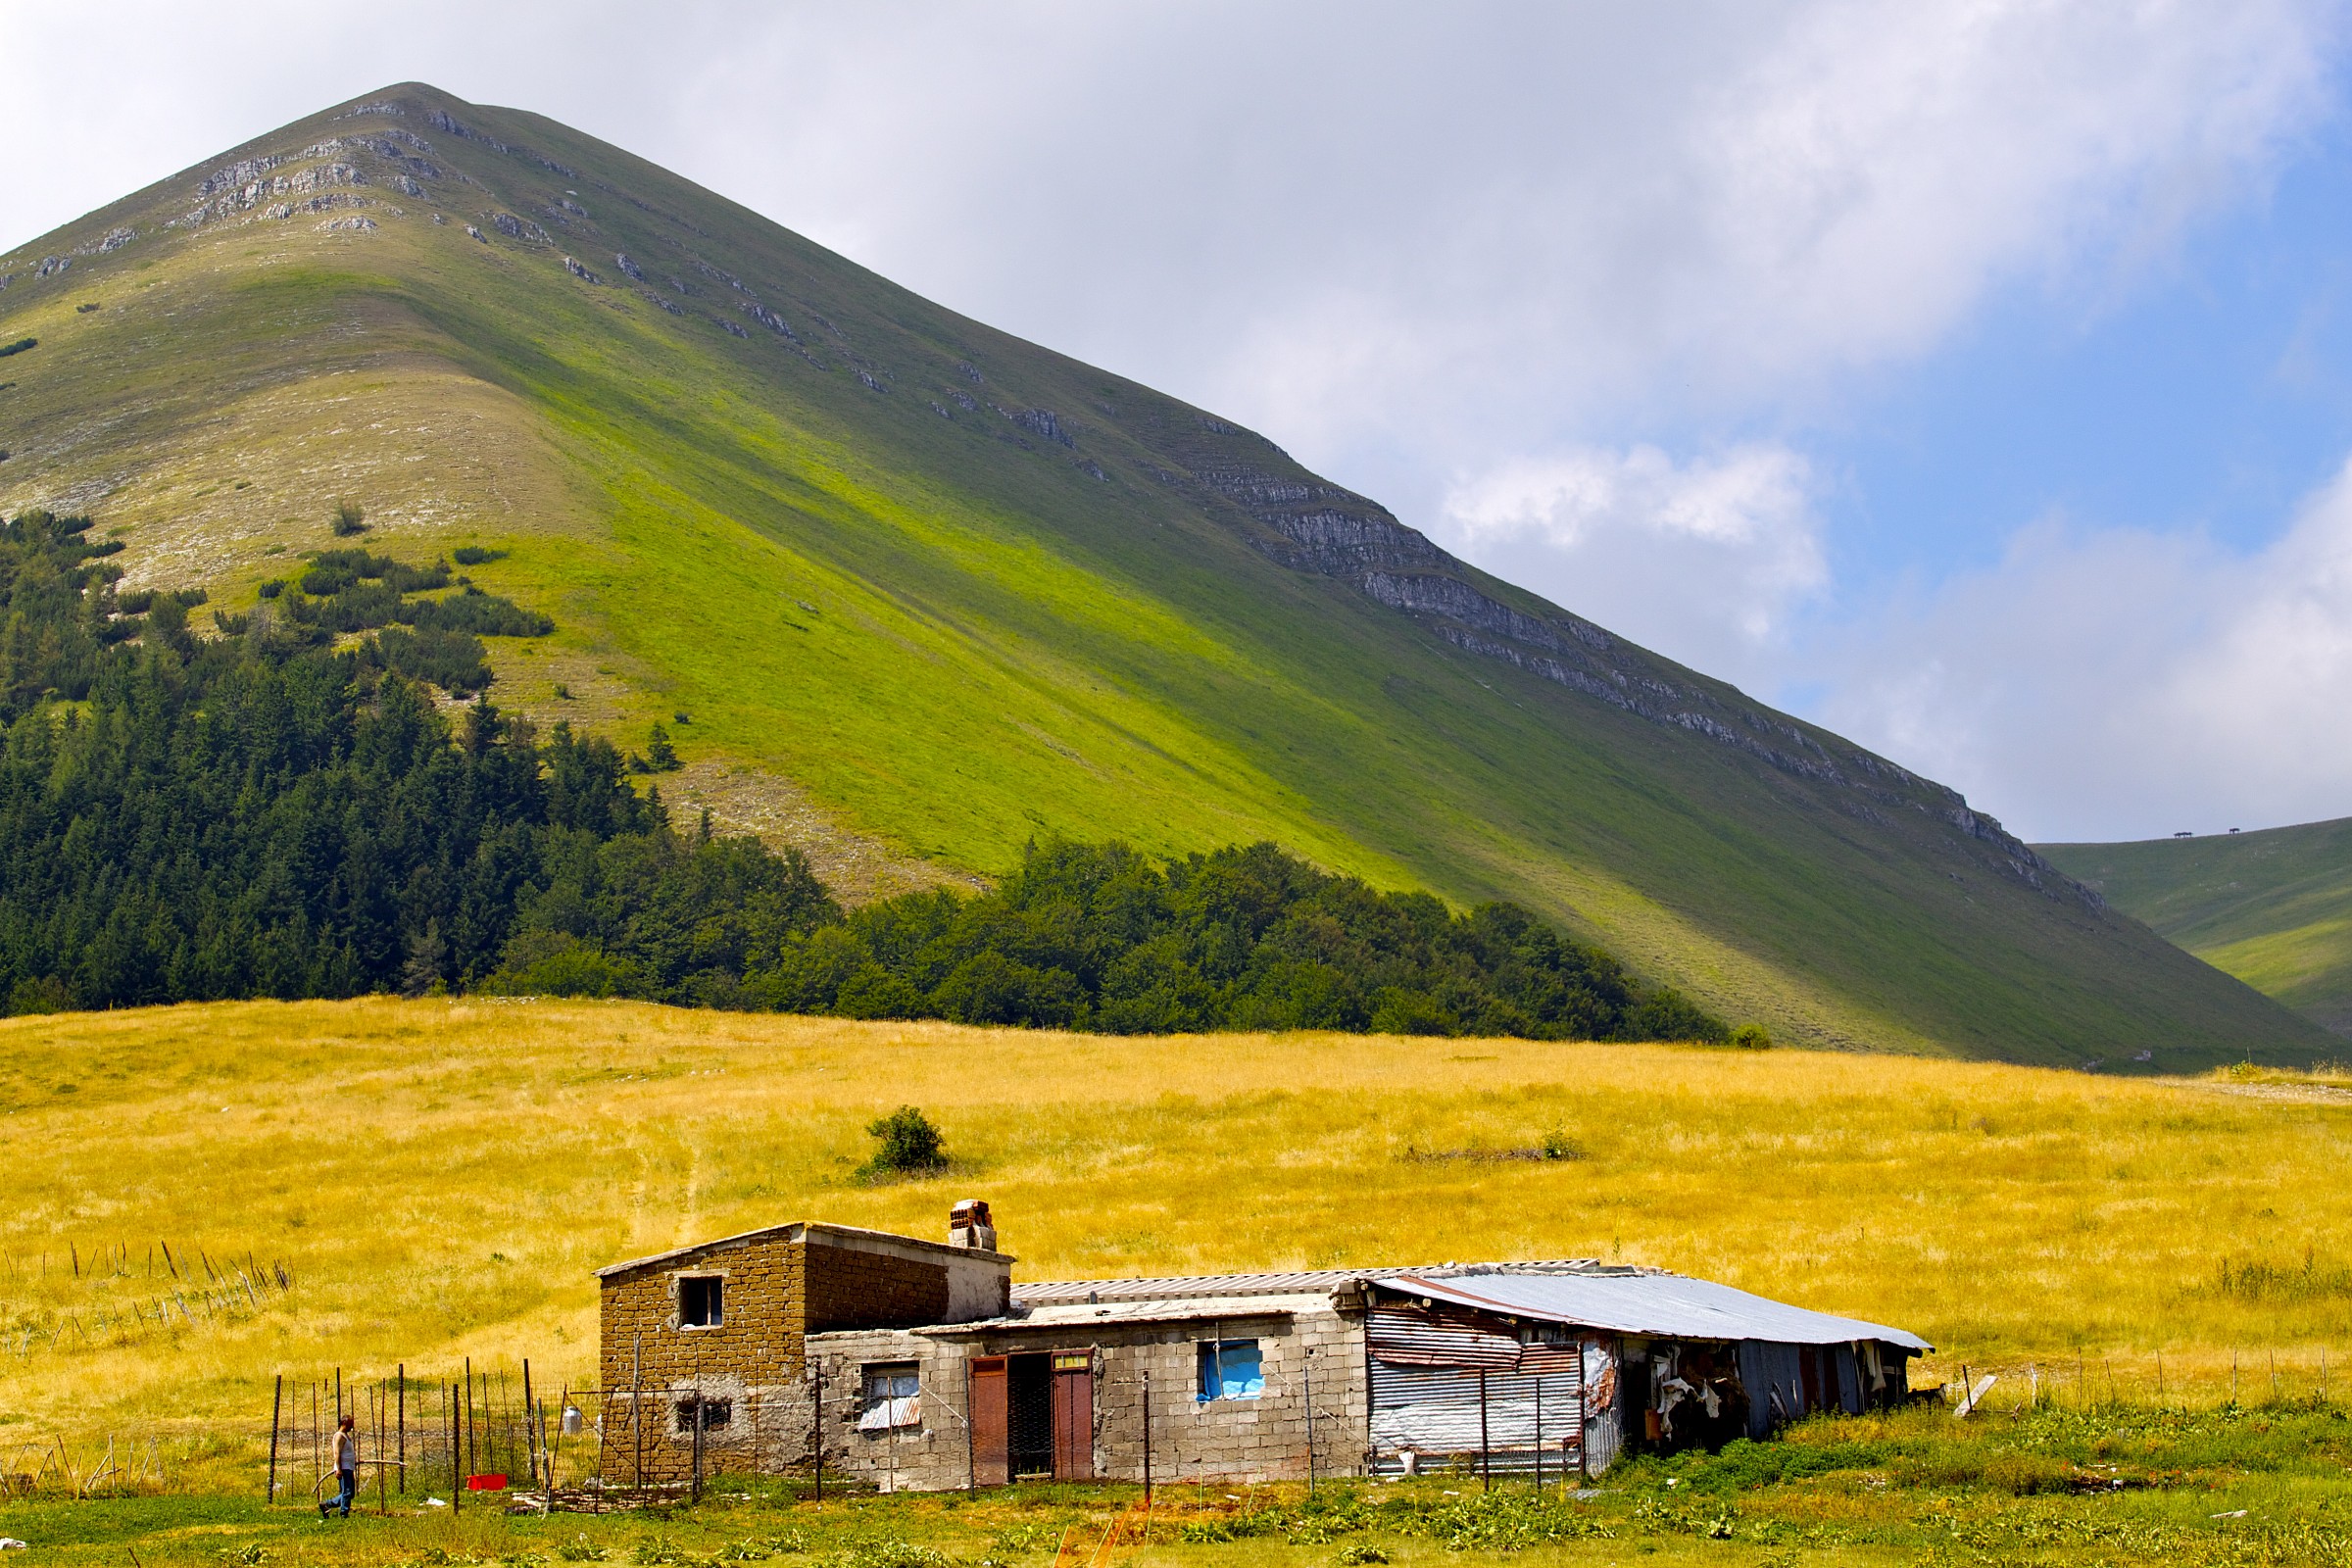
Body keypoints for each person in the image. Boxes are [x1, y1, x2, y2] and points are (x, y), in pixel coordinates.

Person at [320, 1415, 357, 1519]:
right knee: (347, 1492)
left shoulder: (345, 1436)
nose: (352, 1427)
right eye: (350, 1424)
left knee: (350, 1494)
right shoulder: (339, 1436)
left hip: (348, 1468)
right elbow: (337, 1453)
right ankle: (343, 1513)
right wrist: (339, 1469)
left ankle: (327, 1504)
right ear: (344, 1423)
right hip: (344, 1468)